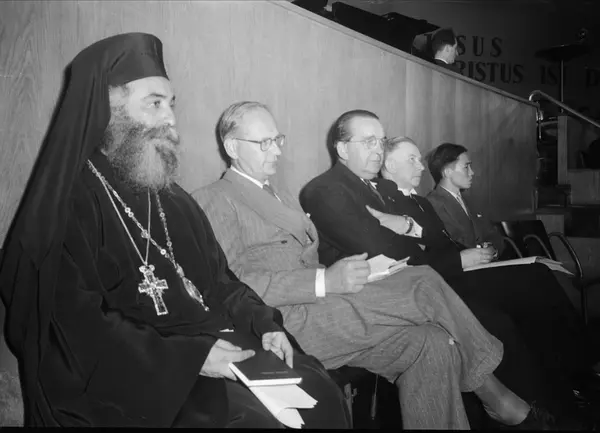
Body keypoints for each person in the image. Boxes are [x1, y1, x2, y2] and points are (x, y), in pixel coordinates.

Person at [0, 33, 352, 428]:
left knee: (321, 392)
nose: (169, 118)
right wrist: (190, 358)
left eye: (171, 104)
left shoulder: (175, 200)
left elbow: (221, 282)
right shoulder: (68, 204)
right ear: (107, 111)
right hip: (140, 376)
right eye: (154, 104)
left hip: (213, 348)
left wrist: (263, 323)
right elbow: (72, 325)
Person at [194, 101, 555, 430]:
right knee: (423, 282)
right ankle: (497, 397)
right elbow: (230, 286)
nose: (276, 150)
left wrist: (342, 276)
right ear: (232, 147)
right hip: (284, 324)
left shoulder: (281, 195)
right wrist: (323, 282)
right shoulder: (215, 200)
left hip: (323, 307)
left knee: (434, 342)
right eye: (264, 143)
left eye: (277, 140)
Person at [373, 136, 599, 421]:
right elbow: (408, 262)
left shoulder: (419, 202)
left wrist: (470, 255)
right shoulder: (385, 204)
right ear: (390, 165)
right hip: (437, 284)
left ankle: (573, 374)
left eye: (419, 158)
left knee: (537, 276)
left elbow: (445, 244)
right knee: (505, 313)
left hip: (452, 273)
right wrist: (461, 259)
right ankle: (543, 400)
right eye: (412, 159)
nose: (421, 166)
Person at [425, 142, 600, 386]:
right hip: (465, 278)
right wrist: (479, 249)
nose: (473, 172)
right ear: (447, 171)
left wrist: (493, 249)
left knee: (543, 279)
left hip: (485, 268)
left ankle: (572, 362)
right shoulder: (433, 204)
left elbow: (494, 236)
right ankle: (575, 365)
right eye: (467, 166)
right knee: (537, 279)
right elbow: (451, 245)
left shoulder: (467, 201)